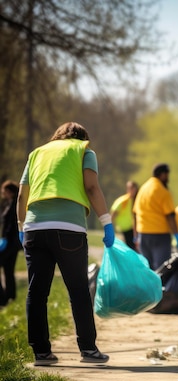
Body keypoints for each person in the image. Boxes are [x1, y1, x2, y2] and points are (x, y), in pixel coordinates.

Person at [16, 122, 114, 366]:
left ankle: (41, 353)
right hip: (68, 228)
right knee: (78, 290)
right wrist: (106, 222)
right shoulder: (84, 151)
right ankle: (88, 350)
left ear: (57, 136)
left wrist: (21, 226)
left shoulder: (37, 153)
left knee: (37, 292)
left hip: (34, 229)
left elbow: (21, 195)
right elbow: (91, 186)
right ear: (82, 137)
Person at [133, 163, 178, 270]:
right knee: (162, 269)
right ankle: (159, 287)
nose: (167, 178)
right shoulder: (162, 191)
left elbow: (135, 212)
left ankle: (148, 287)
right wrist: (177, 237)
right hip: (160, 236)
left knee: (147, 269)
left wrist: (136, 235)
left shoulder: (143, 188)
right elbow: (170, 216)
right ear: (163, 175)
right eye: (167, 175)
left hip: (143, 235)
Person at [0, 180, 21, 306]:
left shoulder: (14, 205)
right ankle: (10, 297)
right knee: (8, 270)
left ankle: (2, 299)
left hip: (10, 243)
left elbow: (11, 225)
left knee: (8, 269)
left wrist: (5, 239)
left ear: (9, 191)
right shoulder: (13, 203)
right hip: (12, 243)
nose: (3, 193)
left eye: (4, 191)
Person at [110, 180, 138, 249]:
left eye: (133, 188)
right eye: (130, 188)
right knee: (127, 248)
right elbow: (113, 214)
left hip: (132, 229)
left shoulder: (136, 200)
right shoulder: (123, 201)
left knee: (133, 249)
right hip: (124, 229)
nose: (132, 190)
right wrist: (110, 228)